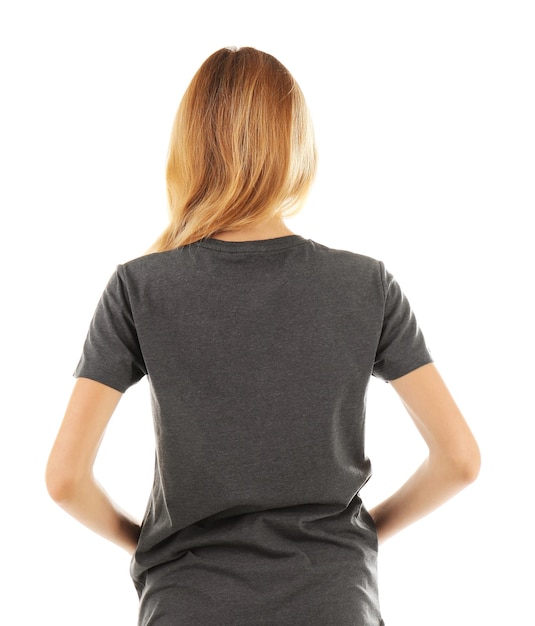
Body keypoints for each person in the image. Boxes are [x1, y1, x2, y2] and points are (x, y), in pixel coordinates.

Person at [45, 47, 481, 626]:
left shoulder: (139, 288)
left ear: (189, 147)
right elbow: (460, 460)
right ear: (294, 145)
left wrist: (157, 547)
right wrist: (357, 538)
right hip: (335, 600)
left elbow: (65, 479)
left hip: (187, 603)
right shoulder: (366, 285)